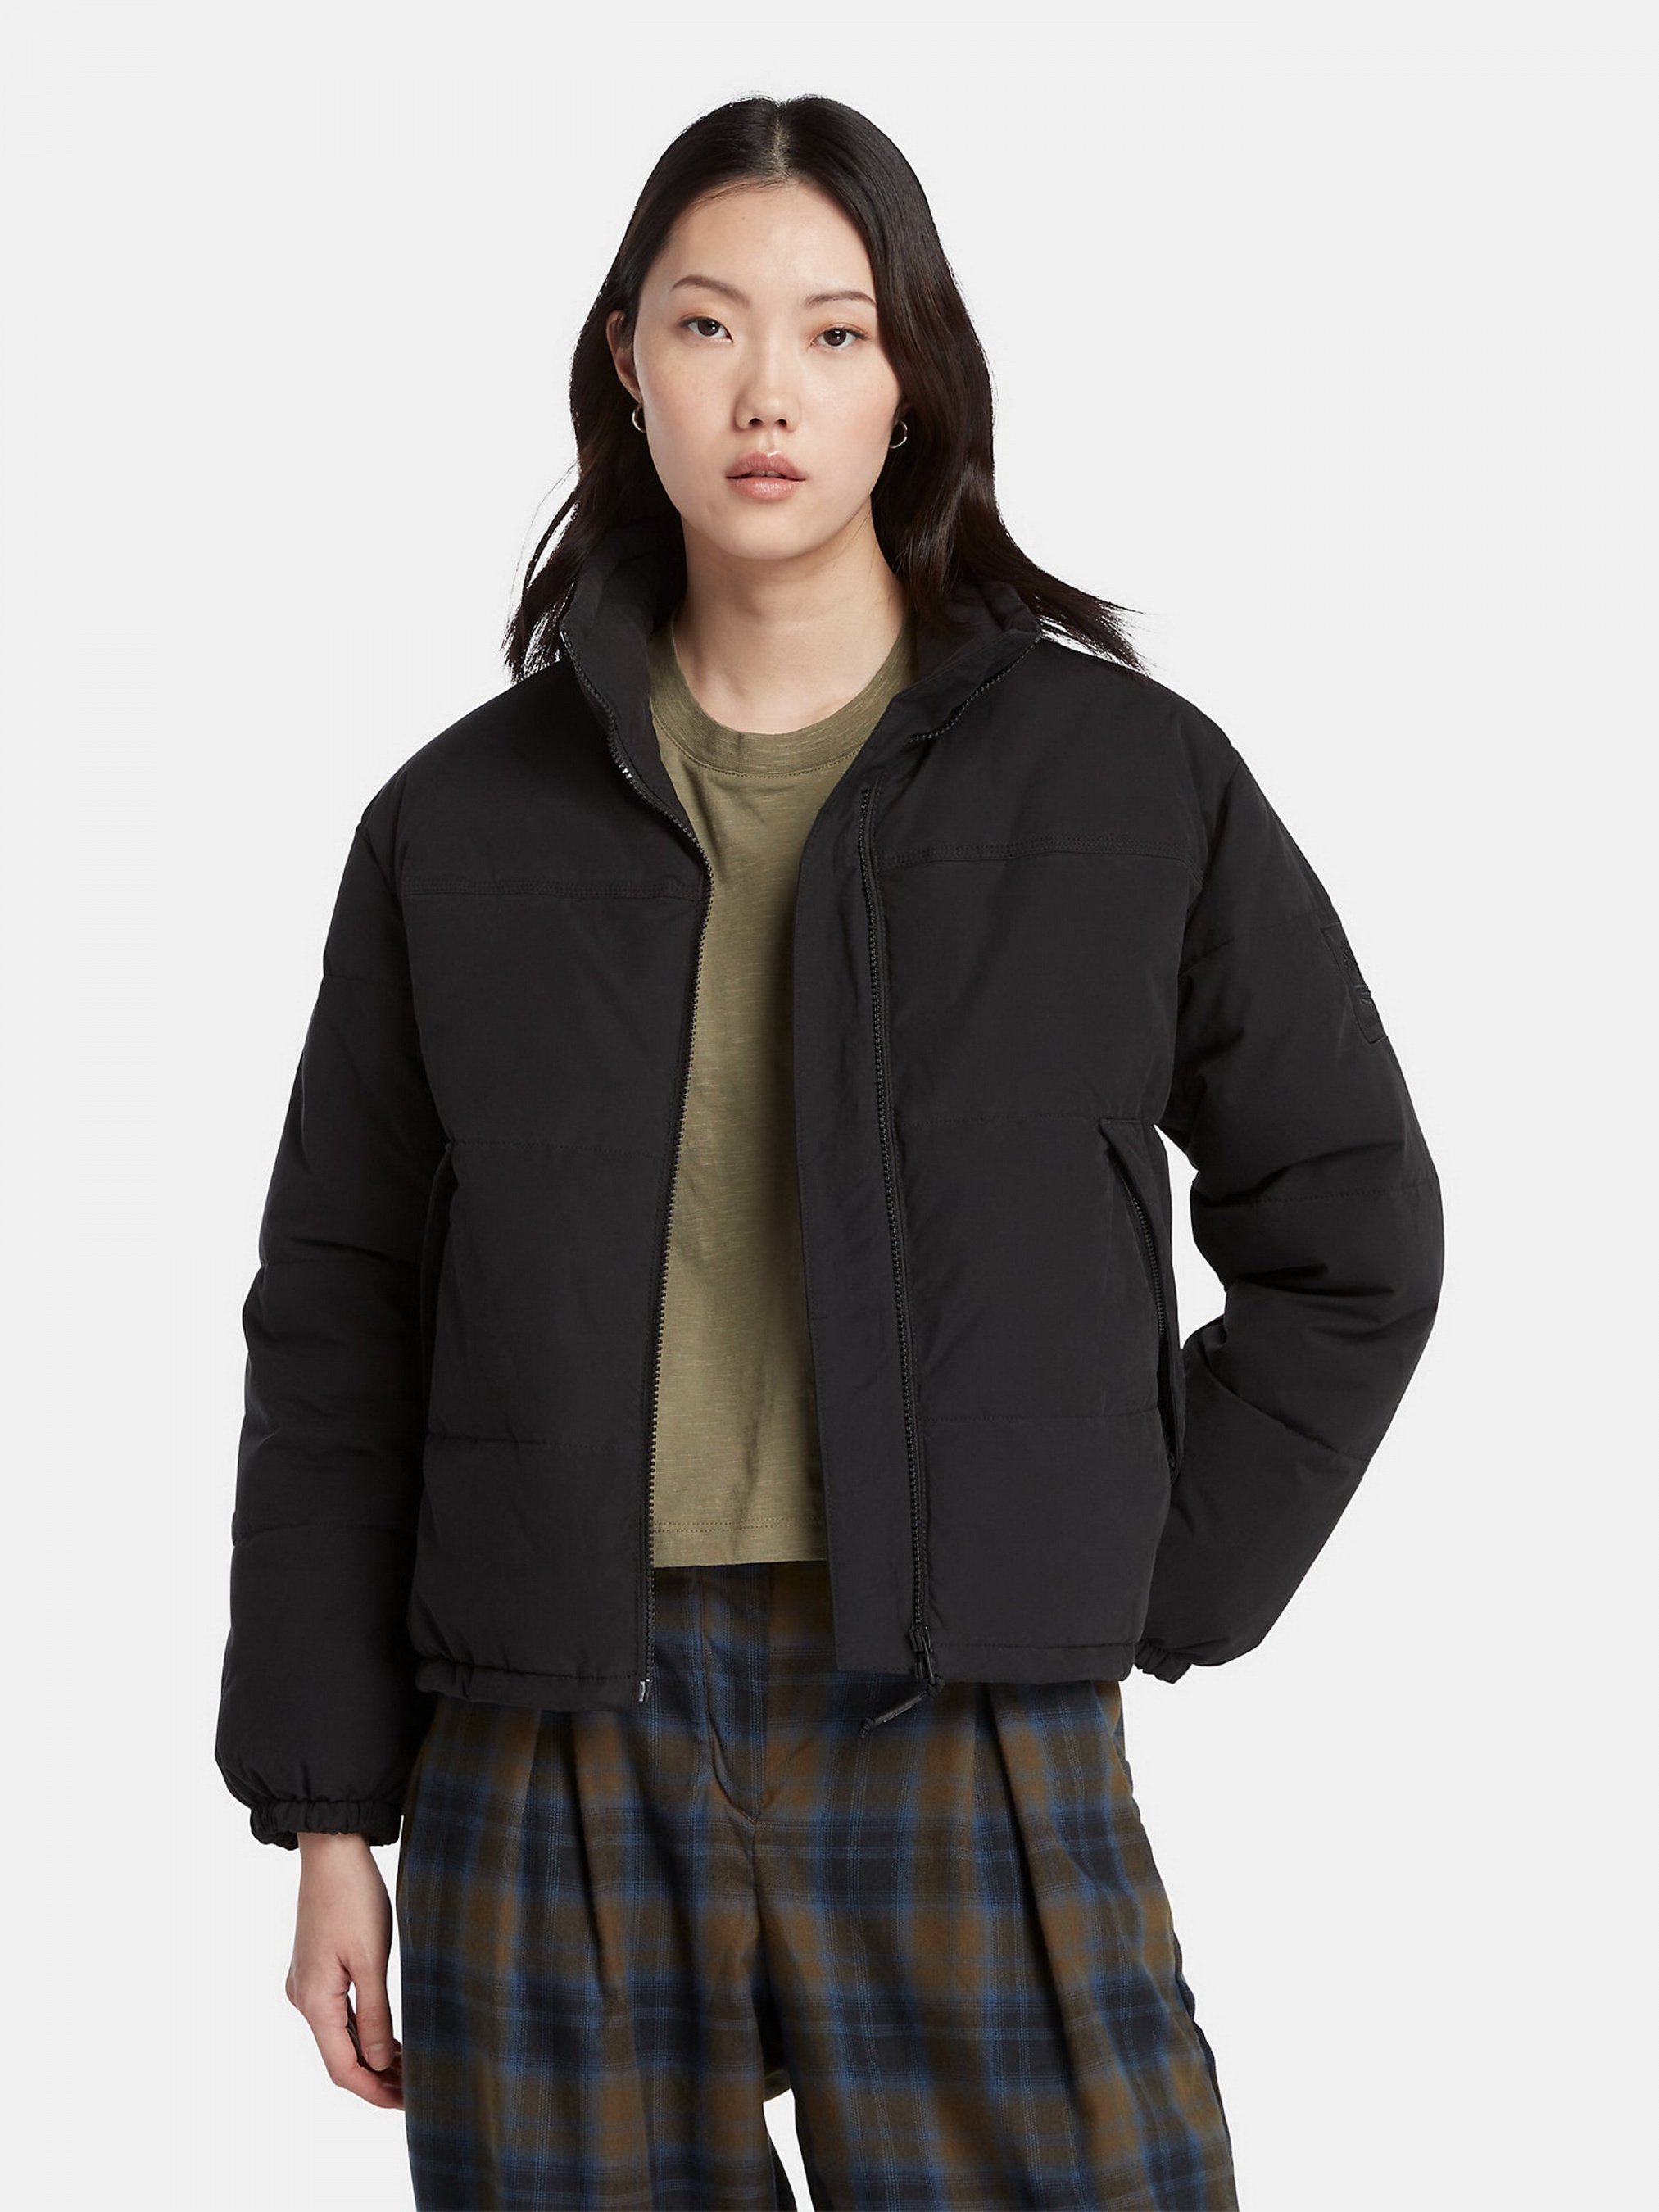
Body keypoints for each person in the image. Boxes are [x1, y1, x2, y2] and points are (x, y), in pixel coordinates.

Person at [215, 93, 1444, 2212]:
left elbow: (1351, 1225)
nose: (765, 389)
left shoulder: (1122, 785)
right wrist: (332, 1809)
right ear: (627, 360)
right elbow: (339, 1319)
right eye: (707, 325)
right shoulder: (458, 827)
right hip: (548, 1728)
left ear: (911, 378)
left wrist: (1140, 1565)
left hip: (961, 1709)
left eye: (835, 330)